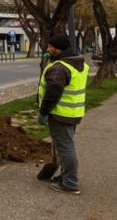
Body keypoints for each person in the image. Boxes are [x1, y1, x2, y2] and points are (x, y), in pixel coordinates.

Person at [38, 34, 88, 195]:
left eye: (50, 47)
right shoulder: (76, 62)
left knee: (66, 148)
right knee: (65, 145)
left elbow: (53, 93)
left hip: (60, 114)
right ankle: (65, 177)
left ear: (57, 49)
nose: (47, 49)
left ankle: (70, 183)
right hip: (73, 112)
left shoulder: (59, 67)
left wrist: (43, 112)